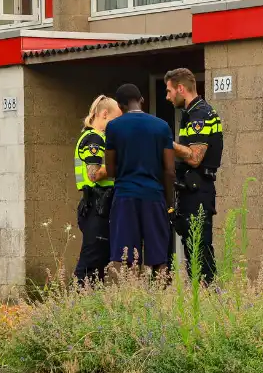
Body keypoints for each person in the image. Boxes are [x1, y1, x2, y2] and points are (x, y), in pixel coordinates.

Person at [104, 84, 177, 272]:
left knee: (128, 258)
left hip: (125, 196)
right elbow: (169, 170)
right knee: (159, 257)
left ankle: (132, 299)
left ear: (120, 106)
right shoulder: (161, 126)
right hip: (154, 196)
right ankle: (160, 297)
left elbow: (111, 170)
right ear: (142, 100)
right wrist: (170, 201)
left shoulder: (113, 127)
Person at [165, 68, 224, 283]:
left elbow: (195, 157)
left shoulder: (200, 114)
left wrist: (166, 144)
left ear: (181, 89)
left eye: (169, 91)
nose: (167, 97)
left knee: (199, 248)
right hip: (191, 189)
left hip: (198, 189)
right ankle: (201, 295)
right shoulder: (191, 113)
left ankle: (209, 293)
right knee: (193, 246)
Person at [73, 95, 122, 285]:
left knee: (99, 266)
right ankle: (78, 306)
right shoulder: (94, 138)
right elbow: (93, 174)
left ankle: (91, 308)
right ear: (104, 114)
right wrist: (122, 166)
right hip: (96, 206)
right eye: (115, 120)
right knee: (90, 264)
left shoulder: (97, 137)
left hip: (99, 206)